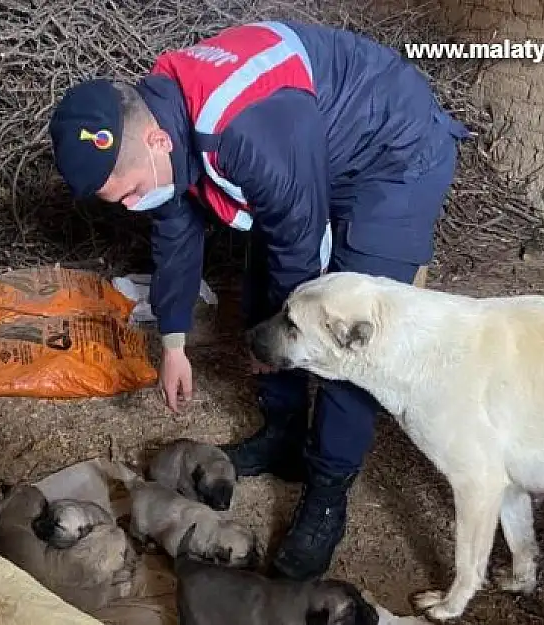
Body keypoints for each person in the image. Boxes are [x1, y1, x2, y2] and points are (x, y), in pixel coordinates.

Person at [47, 20, 469, 581]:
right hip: (310, 154)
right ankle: (283, 437)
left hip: (391, 155)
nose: (129, 204)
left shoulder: (244, 129)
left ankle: (326, 493)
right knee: (261, 292)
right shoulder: (162, 126)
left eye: (125, 190)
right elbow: (175, 231)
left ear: (153, 141)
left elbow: (300, 257)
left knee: (344, 338)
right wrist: (173, 342)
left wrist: (275, 345)